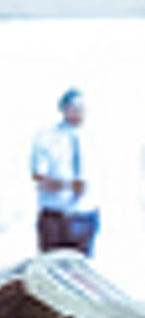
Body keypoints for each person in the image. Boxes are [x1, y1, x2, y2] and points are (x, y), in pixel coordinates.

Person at [31, 87, 98, 255]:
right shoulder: (47, 137)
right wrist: (68, 185)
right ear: (63, 109)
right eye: (73, 108)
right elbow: (39, 178)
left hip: (85, 216)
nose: (77, 113)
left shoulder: (92, 139)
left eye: (81, 108)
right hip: (55, 217)